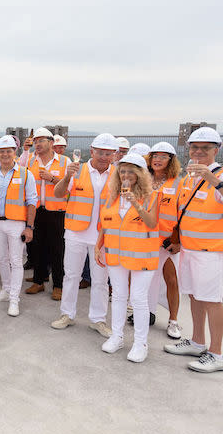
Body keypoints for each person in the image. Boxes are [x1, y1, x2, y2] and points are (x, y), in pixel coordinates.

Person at [164, 127, 223, 373]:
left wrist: (212, 179)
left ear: (216, 150)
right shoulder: (188, 178)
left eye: (205, 148)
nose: (198, 152)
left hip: (212, 252)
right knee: (195, 297)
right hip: (189, 250)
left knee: (213, 301)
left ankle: (217, 353)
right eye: (194, 148)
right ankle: (198, 341)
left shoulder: (218, 175)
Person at [95, 153, 160, 363]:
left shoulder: (152, 196)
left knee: (139, 299)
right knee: (119, 296)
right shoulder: (112, 196)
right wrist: (98, 246)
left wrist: (135, 204)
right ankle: (117, 336)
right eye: (122, 171)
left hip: (142, 257)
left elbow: (151, 223)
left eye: (131, 171)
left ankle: (141, 343)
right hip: (116, 255)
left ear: (140, 174)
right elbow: (106, 224)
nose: (125, 175)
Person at [50, 133, 116, 337]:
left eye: (108, 153)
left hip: (102, 236)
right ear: (92, 151)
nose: (104, 157)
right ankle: (67, 314)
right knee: (71, 276)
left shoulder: (118, 174)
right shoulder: (78, 170)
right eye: (100, 152)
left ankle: (98, 320)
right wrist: (67, 176)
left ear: (113, 155)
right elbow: (58, 194)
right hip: (76, 233)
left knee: (100, 281)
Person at [0, 135, 38, 317]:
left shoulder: (25, 173)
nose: (5, 154)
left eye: (9, 151)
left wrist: (29, 227)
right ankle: (6, 290)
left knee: (16, 261)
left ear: (15, 152)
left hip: (16, 224)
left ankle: (14, 299)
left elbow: (31, 202)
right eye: (2, 151)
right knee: (2, 259)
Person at [25, 127, 69, 301]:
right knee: (37, 247)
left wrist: (52, 178)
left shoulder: (64, 162)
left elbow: (70, 188)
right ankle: (39, 281)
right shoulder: (30, 161)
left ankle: (58, 285)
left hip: (57, 212)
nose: (37, 144)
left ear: (51, 143)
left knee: (57, 250)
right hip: (36, 210)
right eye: (36, 141)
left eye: (41, 141)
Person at [145, 142, 183, 338]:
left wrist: (178, 241)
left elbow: (184, 214)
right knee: (147, 280)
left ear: (171, 160)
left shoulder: (178, 183)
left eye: (163, 156)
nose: (157, 160)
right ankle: (147, 313)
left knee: (171, 280)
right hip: (146, 240)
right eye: (155, 156)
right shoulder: (143, 179)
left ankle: (173, 321)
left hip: (167, 242)